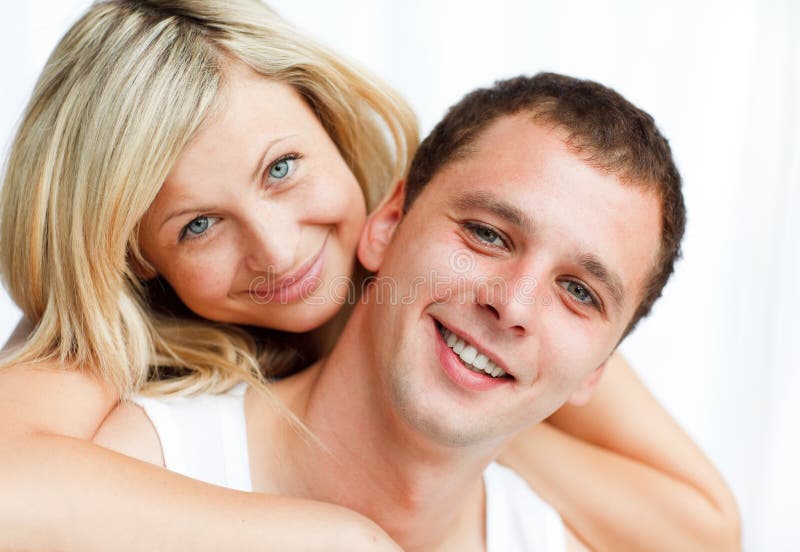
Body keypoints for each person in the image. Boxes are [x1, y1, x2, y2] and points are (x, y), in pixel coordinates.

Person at [0, 1, 739, 550]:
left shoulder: (491, 232)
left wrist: (469, 406)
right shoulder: (111, 337)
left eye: (282, 169)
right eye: (197, 225)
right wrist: (335, 540)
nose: (280, 251)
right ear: (135, 261)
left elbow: (704, 526)